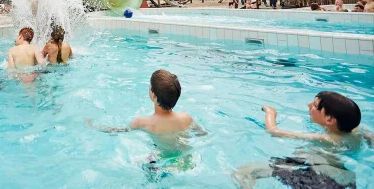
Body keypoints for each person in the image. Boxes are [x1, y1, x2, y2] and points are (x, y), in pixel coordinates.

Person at [234, 92, 367, 188]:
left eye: (315, 105)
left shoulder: (326, 139)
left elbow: (273, 132)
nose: (308, 105)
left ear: (330, 120)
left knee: (244, 171)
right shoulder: (357, 131)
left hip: (320, 180)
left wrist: (271, 112)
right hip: (343, 177)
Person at [86, 70, 202, 151]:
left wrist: (95, 126)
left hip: (161, 158)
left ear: (153, 94)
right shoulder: (186, 118)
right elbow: (202, 134)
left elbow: (117, 131)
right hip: (185, 156)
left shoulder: (142, 123)